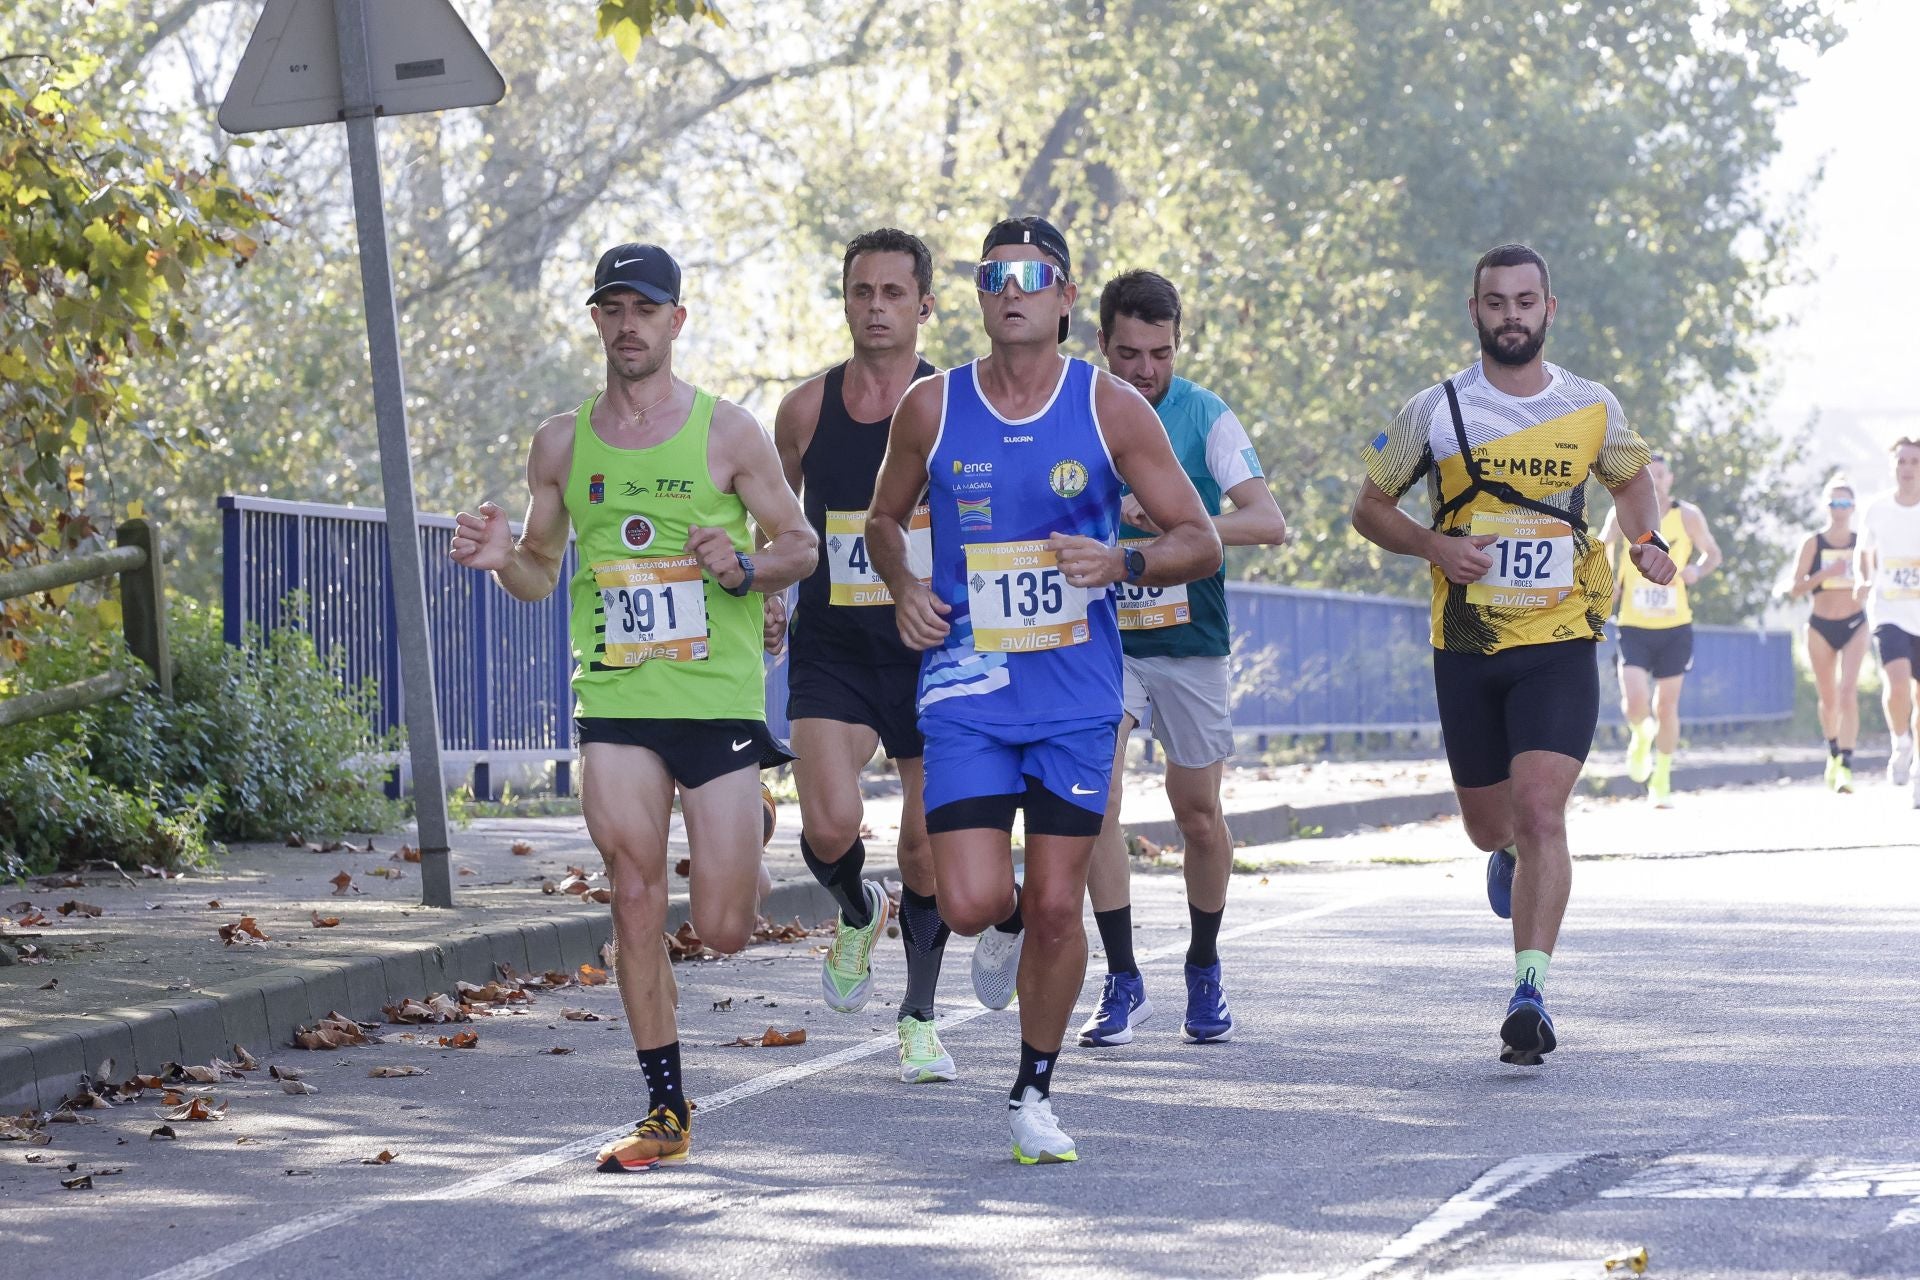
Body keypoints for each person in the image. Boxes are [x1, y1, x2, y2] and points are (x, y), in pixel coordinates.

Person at [448, 243, 818, 1171]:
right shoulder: (561, 443)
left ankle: (751, 820)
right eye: (611, 308)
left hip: (716, 697)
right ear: (597, 321)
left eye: (644, 309)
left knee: (724, 930)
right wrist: (503, 561)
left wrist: (742, 566)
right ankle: (666, 1110)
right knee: (634, 894)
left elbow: (800, 545)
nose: (627, 325)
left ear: (675, 321)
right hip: (615, 696)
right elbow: (539, 571)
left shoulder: (729, 433)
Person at [866, 216, 1219, 1163]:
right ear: (979, 296)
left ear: (1066, 297)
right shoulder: (930, 408)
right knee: (975, 898)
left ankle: (1032, 1092)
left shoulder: (1109, 408)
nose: (1011, 288)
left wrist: (1124, 559)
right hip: (967, 687)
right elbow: (884, 521)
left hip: (1073, 696)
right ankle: (1004, 925)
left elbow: (1202, 538)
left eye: (1033, 274)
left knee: (1063, 908)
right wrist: (903, 587)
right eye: (993, 275)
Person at [1350, 243, 1674, 1066]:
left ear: (1549, 309)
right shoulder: (1435, 409)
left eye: (1526, 302)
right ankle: (1500, 854)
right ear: (1475, 312)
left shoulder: (1591, 404)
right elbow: (1369, 507)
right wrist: (1432, 546)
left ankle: (1530, 990)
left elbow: (1632, 479)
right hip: (1467, 643)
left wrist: (1645, 538)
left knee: (1542, 812)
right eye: (1496, 303)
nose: (1512, 316)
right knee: (1490, 823)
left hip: (1562, 637)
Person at [1076, 270, 1288, 1049]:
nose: (1142, 370)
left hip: (1190, 642)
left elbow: (1267, 522)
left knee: (1197, 814)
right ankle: (1122, 977)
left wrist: (1181, 529)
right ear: (1102, 343)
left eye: (1158, 354)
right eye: (1128, 353)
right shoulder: (1076, 410)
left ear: (1177, 347)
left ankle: (1203, 964)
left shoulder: (1205, 416)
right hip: (1101, 640)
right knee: (1094, 802)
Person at [773, 228, 957, 1084]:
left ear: (924, 304)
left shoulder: (955, 404)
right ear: (845, 300)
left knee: (926, 847)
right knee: (829, 825)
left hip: (930, 652)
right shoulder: (804, 411)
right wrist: (769, 595)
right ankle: (857, 907)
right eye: (861, 292)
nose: (875, 307)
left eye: (893, 293)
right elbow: (773, 523)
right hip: (835, 650)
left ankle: (918, 1015)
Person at [1601, 454, 1722, 807]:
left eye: (1659, 474)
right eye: (1647, 475)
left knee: (1666, 707)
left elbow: (1712, 554)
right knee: (1635, 703)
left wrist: (1697, 571)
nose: (1654, 480)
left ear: (1669, 478)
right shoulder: (1625, 510)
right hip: (1634, 624)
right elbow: (1604, 541)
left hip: (1675, 626)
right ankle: (1641, 735)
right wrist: (1611, 579)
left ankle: (1663, 776)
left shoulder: (1687, 515)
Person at [1787, 479, 1871, 793]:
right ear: (1826, 507)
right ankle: (1833, 751)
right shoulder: (1814, 542)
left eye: (1846, 504)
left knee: (1848, 691)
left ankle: (1847, 765)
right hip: (1820, 625)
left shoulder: (1861, 541)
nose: (1840, 510)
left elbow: (1874, 578)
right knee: (1829, 697)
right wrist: (1825, 574)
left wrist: (1865, 583)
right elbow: (1795, 589)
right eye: (1834, 503)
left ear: (1853, 508)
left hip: (1854, 624)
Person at [1859, 436, 1920, 805]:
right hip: (1890, 611)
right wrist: (1865, 578)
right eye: (1902, 462)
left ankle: (1917, 770)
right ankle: (1901, 742)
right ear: (1893, 466)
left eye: (1914, 462)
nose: (1908, 469)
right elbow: (1863, 553)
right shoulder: (1877, 509)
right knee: (1897, 684)